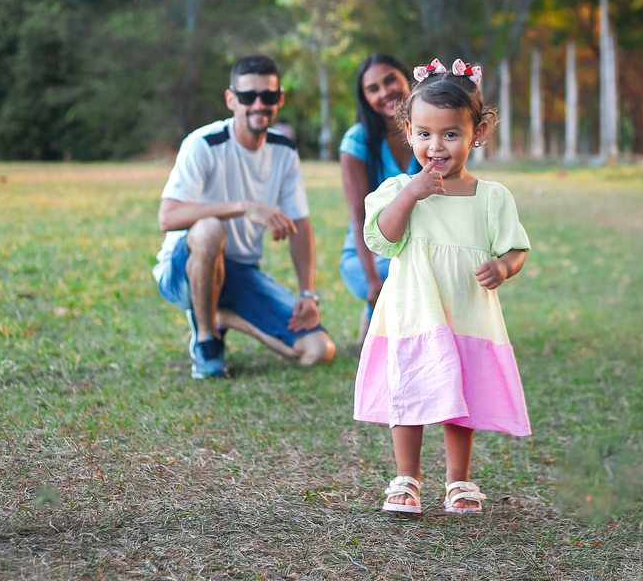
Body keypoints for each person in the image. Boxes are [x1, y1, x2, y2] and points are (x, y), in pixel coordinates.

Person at [353, 58, 531, 515]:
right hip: (414, 314)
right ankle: (406, 478)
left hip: (467, 314)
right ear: (408, 132)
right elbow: (382, 238)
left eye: (451, 134)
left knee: (460, 402)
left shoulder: (492, 197)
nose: (437, 146)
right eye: (426, 134)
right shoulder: (398, 188)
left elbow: (516, 248)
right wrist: (412, 194)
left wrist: (504, 268)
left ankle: (459, 481)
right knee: (409, 394)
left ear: (479, 133)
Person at [153, 54, 337, 378]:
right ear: (230, 100)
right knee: (210, 230)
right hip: (183, 272)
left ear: (279, 98)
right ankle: (207, 342)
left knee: (319, 350)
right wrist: (243, 206)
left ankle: (218, 316)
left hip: (240, 275)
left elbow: (300, 224)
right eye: (247, 96)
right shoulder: (203, 144)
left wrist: (308, 293)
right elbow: (167, 217)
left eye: (267, 96)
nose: (257, 105)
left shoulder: (285, 151)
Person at [338, 54, 421, 345]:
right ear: (365, 98)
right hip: (368, 257)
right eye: (372, 88)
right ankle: (375, 323)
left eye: (390, 81)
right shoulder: (357, 142)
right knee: (412, 273)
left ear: (406, 79)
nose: (384, 92)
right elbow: (359, 218)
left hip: (418, 247)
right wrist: (372, 280)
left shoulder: (429, 132)